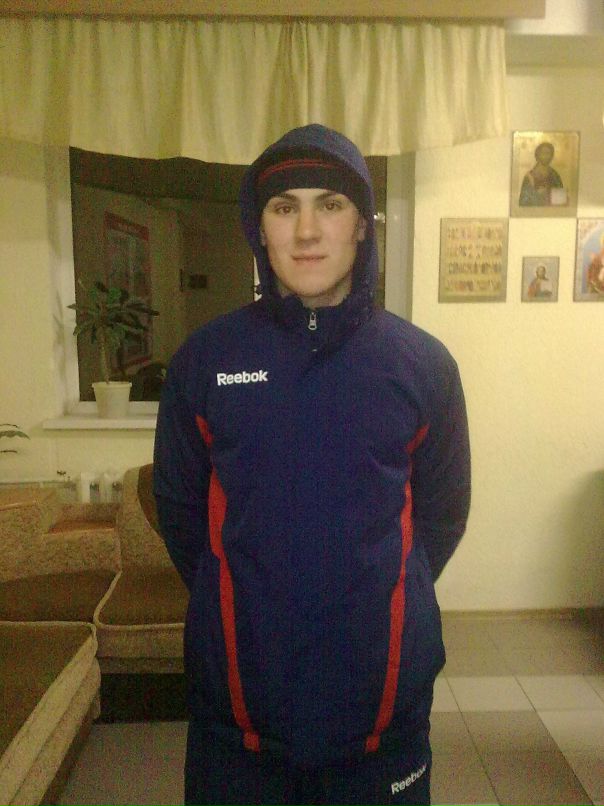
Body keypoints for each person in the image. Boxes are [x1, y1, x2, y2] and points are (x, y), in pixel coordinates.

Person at [153, 123, 471, 806]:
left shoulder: (422, 365)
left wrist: (378, 592)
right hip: (239, 723)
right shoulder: (206, 360)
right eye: (283, 207)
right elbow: (181, 517)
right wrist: (241, 600)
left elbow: (442, 517)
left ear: (361, 224)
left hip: (380, 718)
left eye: (329, 204)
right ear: (259, 229)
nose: (306, 231)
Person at [518, 141, 565, 207]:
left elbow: (561, 200)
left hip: (551, 211)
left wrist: (547, 193)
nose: (546, 156)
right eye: (543, 153)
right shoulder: (529, 177)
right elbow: (523, 202)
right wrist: (537, 194)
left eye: (548, 153)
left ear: (551, 156)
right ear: (537, 155)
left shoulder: (554, 175)